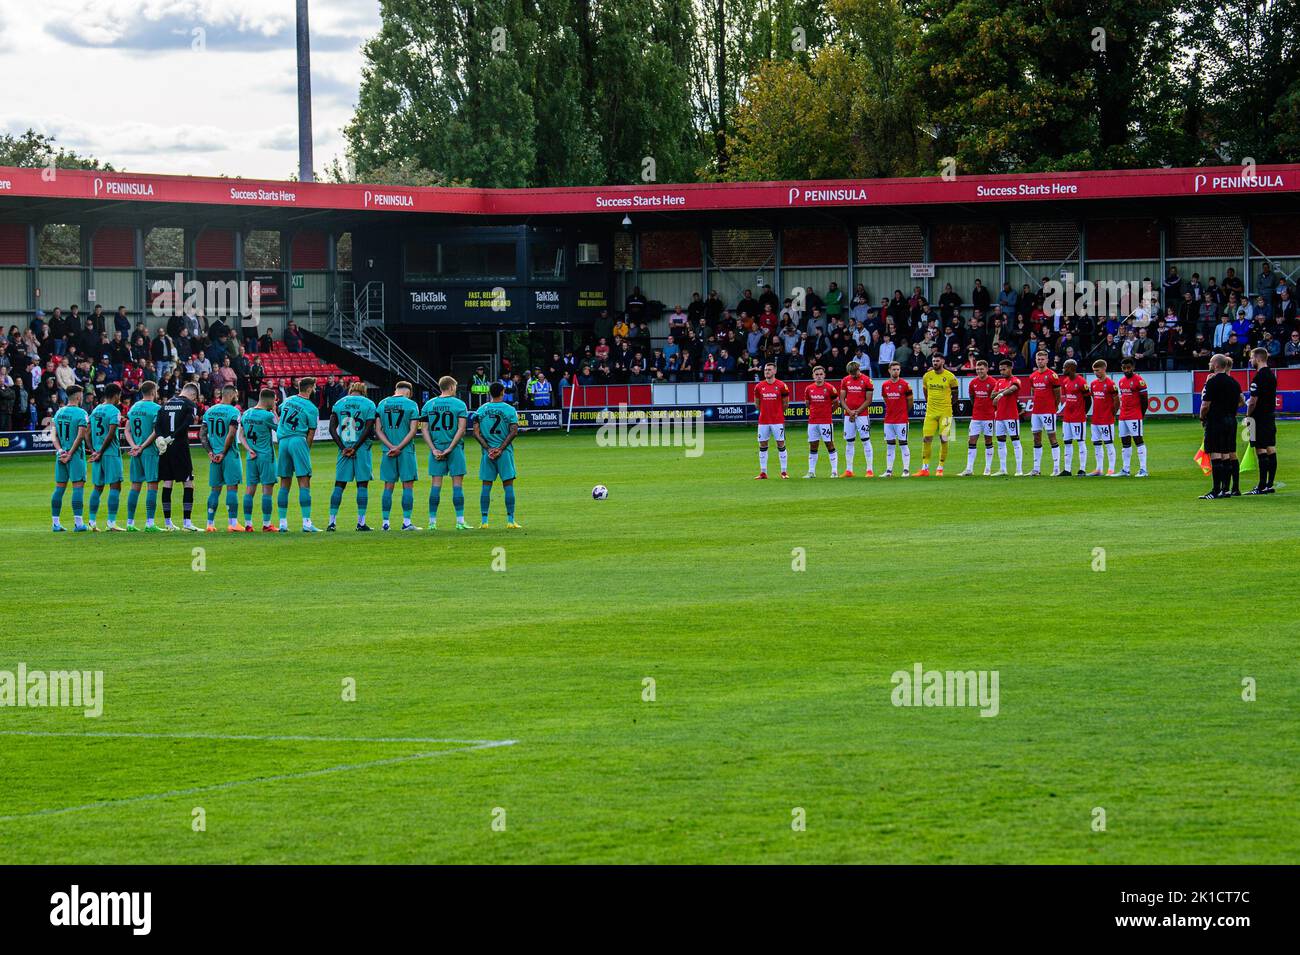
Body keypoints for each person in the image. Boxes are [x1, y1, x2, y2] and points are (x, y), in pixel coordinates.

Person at [420, 375, 470, 529]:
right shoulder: (459, 404)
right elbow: (461, 429)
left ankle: (432, 522)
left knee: (435, 485)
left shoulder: (428, 404)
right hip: (454, 449)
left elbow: (424, 429)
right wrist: (449, 448)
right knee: (457, 485)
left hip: (436, 449)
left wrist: (433, 448)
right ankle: (460, 522)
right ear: (451, 387)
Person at [328, 382, 378, 532]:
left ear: (350, 390)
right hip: (361, 448)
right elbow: (369, 428)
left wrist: (344, 448)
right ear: (363, 391)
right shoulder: (369, 404)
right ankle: (361, 523)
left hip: (344, 447)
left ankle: (331, 522)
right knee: (362, 485)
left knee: (339, 485)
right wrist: (355, 448)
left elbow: (331, 429)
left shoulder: (339, 403)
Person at [275, 376, 322, 532]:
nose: (314, 390)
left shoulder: (287, 400)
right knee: (304, 481)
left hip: (283, 442)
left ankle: (282, 523)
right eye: (314, 387)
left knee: (284, 482)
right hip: (298, 440)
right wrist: (305, 451)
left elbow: (280, 412)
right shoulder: (311, 407)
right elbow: (311, 433)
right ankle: (307, 523)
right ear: (309, 389)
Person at [472, 381, 521, 527]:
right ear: (502, 392)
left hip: (488, 454)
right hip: (504, 453)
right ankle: (510, 521)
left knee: (486, 486)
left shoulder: (480, 410)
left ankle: (484, 521)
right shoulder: (510, 409)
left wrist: (488, 449)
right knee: (508, 486)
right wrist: (500, 448)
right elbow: (514, 431)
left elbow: (475, 433)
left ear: (489, 393)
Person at [375, 380, 421, 531]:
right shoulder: (411, 404)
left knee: (388, 486)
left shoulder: (382, 403)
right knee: (407, 486)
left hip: (387, 451)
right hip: (405, 451)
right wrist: (399, 447)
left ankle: (385, 523)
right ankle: (406, 522)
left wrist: (390, 446)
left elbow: (378, 429)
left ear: (396, 390)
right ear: (408, 392)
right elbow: (413, 430)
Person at [156, 382, 201, 531]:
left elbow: (157, 425)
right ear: (193, 395)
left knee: (167, 483)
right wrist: (173, 437)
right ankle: (187, 523)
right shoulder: (189, 405)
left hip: (165, 448)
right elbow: (187, 424)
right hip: (180, 447)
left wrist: (163, 438)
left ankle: (168, 523)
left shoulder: (166, 404)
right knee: (188, 483)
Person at [200, 386, 244, 532]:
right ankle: (233, 524)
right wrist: (223, 453)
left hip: (214, 456)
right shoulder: (234, 411)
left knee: (215, 490)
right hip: (229, 455)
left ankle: (210, 524)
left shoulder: (210, 411)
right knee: (232, 488)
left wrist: (211, 452)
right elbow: (231, 435)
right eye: (236, 394)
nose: (237, 396)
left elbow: (202, 435)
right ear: (231, 394)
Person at [1200, 354, 1243, 499]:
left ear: (1216, 365)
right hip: (1231, 421)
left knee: (1216, 454)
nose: (1209, 364)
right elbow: (1240, 401)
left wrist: (1202, 416)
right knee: (1227, 454)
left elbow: (1205, 405)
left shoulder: (1212, 382)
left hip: (1216, 420)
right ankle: (1226, 489)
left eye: (1211, 362)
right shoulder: (1234, 383)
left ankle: (1216, 490)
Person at [85, 384, 125, 531]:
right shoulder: (114, 411)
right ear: (115, 395)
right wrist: (100, 451)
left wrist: (93, 450)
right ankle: (111, 522)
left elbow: (86, 434)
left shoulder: (95, 410)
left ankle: (92, 522)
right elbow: (111, 433)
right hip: (110, 453)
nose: (119, 398)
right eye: (119, 395)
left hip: (98, 454)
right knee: (115, 486)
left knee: (97, 487)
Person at [50, 385, 90, 532]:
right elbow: (80, 436)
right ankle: (78, 523)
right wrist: (70, 454)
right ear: (78, 396)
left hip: (60, 455)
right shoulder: (81, 413)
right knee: (78, 487)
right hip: (75, 456)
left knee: (59, 488)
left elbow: (53, 435)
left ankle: (55, 523)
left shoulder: (58, 412)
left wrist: (61, 451)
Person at [124, 380, 162, 530]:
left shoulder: (134, 407)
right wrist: (142, 447)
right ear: (153, 392)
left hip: (136, 452)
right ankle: (150, 523)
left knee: (135, 486)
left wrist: (134, 446)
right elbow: (155, 431)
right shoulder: (157, 408)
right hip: (150, 452)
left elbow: (127, 430)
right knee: (152, 485)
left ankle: (130, 523)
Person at [240, 389, 280, 531]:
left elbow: (241, 436)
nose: (275, 403)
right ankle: (266, 524)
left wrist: (248, 449)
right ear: (269, 400)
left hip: (251, 457)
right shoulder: (267, 416)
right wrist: (275, 412)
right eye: (274, 400)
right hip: (265, 457)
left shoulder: (246, 413)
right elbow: (281, 430)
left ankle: (248, 524)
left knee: (250, 489)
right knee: (267, 490)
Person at [917, 354, 958, 476]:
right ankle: (925, 468)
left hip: (945, 413)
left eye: (937, 360)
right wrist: (930, 403)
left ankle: (940, 467)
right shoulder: (927, 376)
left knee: (944, 439)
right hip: (930, 413)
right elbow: (925, 392)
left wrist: (948, 405)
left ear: (943, 361)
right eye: (933, 360)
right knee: (926, 438)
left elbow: (955, 395)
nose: (935, 362)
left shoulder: (950, 377)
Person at [1245, 347, 1278, 494]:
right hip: (1270, 416)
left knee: (1260, 449)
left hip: (1258, 417)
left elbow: (1253, 401)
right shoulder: (1272, 375)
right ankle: (1269, 484)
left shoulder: (1258, 378)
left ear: (1258, 359)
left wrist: (1248, 415)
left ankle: (1261, 485)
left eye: (1251, 358)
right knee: (1271, 447)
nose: (1250, 361)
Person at [752, 362, 789, 479]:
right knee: (762, 444)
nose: (766, 371)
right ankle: (763, 472)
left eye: (769, 369)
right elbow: (757, 404)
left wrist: (776, 412)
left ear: (775, 371)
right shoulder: (759, 386)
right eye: (765, 370)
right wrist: (766, 411)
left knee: (781, 444)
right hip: (763, 421)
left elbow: (786, 404)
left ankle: (784, 472)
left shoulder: (782, 385)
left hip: (777, 421)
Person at [1027, 349, 1062, 476]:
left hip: (1048, 411)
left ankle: (1056, 468)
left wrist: (1054, 407)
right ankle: (1036, 468)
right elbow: (1033, 392)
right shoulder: (1033, 376)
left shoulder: (1052, 375)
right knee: (1036, 438)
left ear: (1047, 360)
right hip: (1036, 412)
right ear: (1035, 360)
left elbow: (1058, 394)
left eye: (1042, 359)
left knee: (1051, 437)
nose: (1040, 361)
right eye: (1038, 359)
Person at [960, 360, 996, 476]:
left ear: (987, 369)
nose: (979, 371)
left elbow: (995, 400)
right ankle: (969, 468)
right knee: (971, 440)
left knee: (988, 441)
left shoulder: (992, 382)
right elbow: (972, 398)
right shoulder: (973, 383)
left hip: (989, 417)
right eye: (977, 369)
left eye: (981, 369)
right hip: (976, 417)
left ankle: (988, 468)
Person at [838, 360, 874, 477]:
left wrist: (857, 412)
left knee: (865, 440)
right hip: (849, 415)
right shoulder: (845, 380)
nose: (853, 375)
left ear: (859, 369)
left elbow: (869, 400)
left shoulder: (867, 380)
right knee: (849, 441)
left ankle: (869, 470)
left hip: (862, 415)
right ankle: (849, 470)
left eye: (855, 372)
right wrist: (849, 411)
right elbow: (842, 399)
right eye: (851, 373)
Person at [802, 365, 839, 478]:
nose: (819, 376)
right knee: (813, 446)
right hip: (812, 422)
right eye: (816, 374)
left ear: (824, 375)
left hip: (825, 422)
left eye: (821, 374)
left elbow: (836, 403)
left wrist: (828, 412)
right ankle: (811, 472)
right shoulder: (809, 389)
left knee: (829, 444)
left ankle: (834, 471)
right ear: (813, 376)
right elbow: (808, 404)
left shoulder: (830, 388)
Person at [1115, 358, 1149, 477]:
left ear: (1133, 367)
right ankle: (1125, 469)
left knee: (1138, 441)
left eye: (1128, 368)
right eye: (1124, 368)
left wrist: (1141, 415)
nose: (1126, 370)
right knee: (1125, 443)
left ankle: (1143, 470)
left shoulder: (1139, 381)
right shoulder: (1121, 381)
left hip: (1134, 415)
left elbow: (1145, 400)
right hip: (1123, 416)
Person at [991, 358, 1025, 476]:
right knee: (1000, 442)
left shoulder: (1016, 380)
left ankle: (1019, 470)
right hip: (999, 416)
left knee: (1015, 441)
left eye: (1004, 369)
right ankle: (1003, 469)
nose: (1002, 372)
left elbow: (1013, 389)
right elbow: (992, 395)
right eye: (1000, 369)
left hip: (1011, 416)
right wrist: (1000, 392)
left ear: (1010, 368)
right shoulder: (999, 381)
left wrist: (1000, 393)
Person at [1058, 359, 1091, 476]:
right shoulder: (1065, 381)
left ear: (1071, 368)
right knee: (1067, 442)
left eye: (1064, 367)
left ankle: (1082, 469)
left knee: (1080, 442)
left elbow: (1088, 400)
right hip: (1067, 418)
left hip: (1078, 417)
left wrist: (1083, 413)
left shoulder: (1081, 382)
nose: (1062, 370)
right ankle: (1067, 469)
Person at [879, 361, 912, 477]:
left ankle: (906, 470)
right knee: (890, 445)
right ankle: (889, 471)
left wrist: (903, 412)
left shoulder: (905, 384)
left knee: (903, 443)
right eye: (894, 369)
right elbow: (885, 398)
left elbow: (910, 401)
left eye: (898, 369)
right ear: (889, 370)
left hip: (901, 420)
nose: (896, 371)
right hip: (888, 420)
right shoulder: (885, 385)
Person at [1087, 360, 1119, 476]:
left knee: (1109, 443)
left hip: (1106, 419)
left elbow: (1117, 402)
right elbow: (1094, 400)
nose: (1096, 373)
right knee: (1096, 444)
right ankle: (1098, 469)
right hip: (1095, 419)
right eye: (1094, 371)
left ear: (1104, 369)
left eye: (1098, 370)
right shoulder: (1093, 384)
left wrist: (1112, 414)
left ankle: (1111, 469)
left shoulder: (1111, 384)